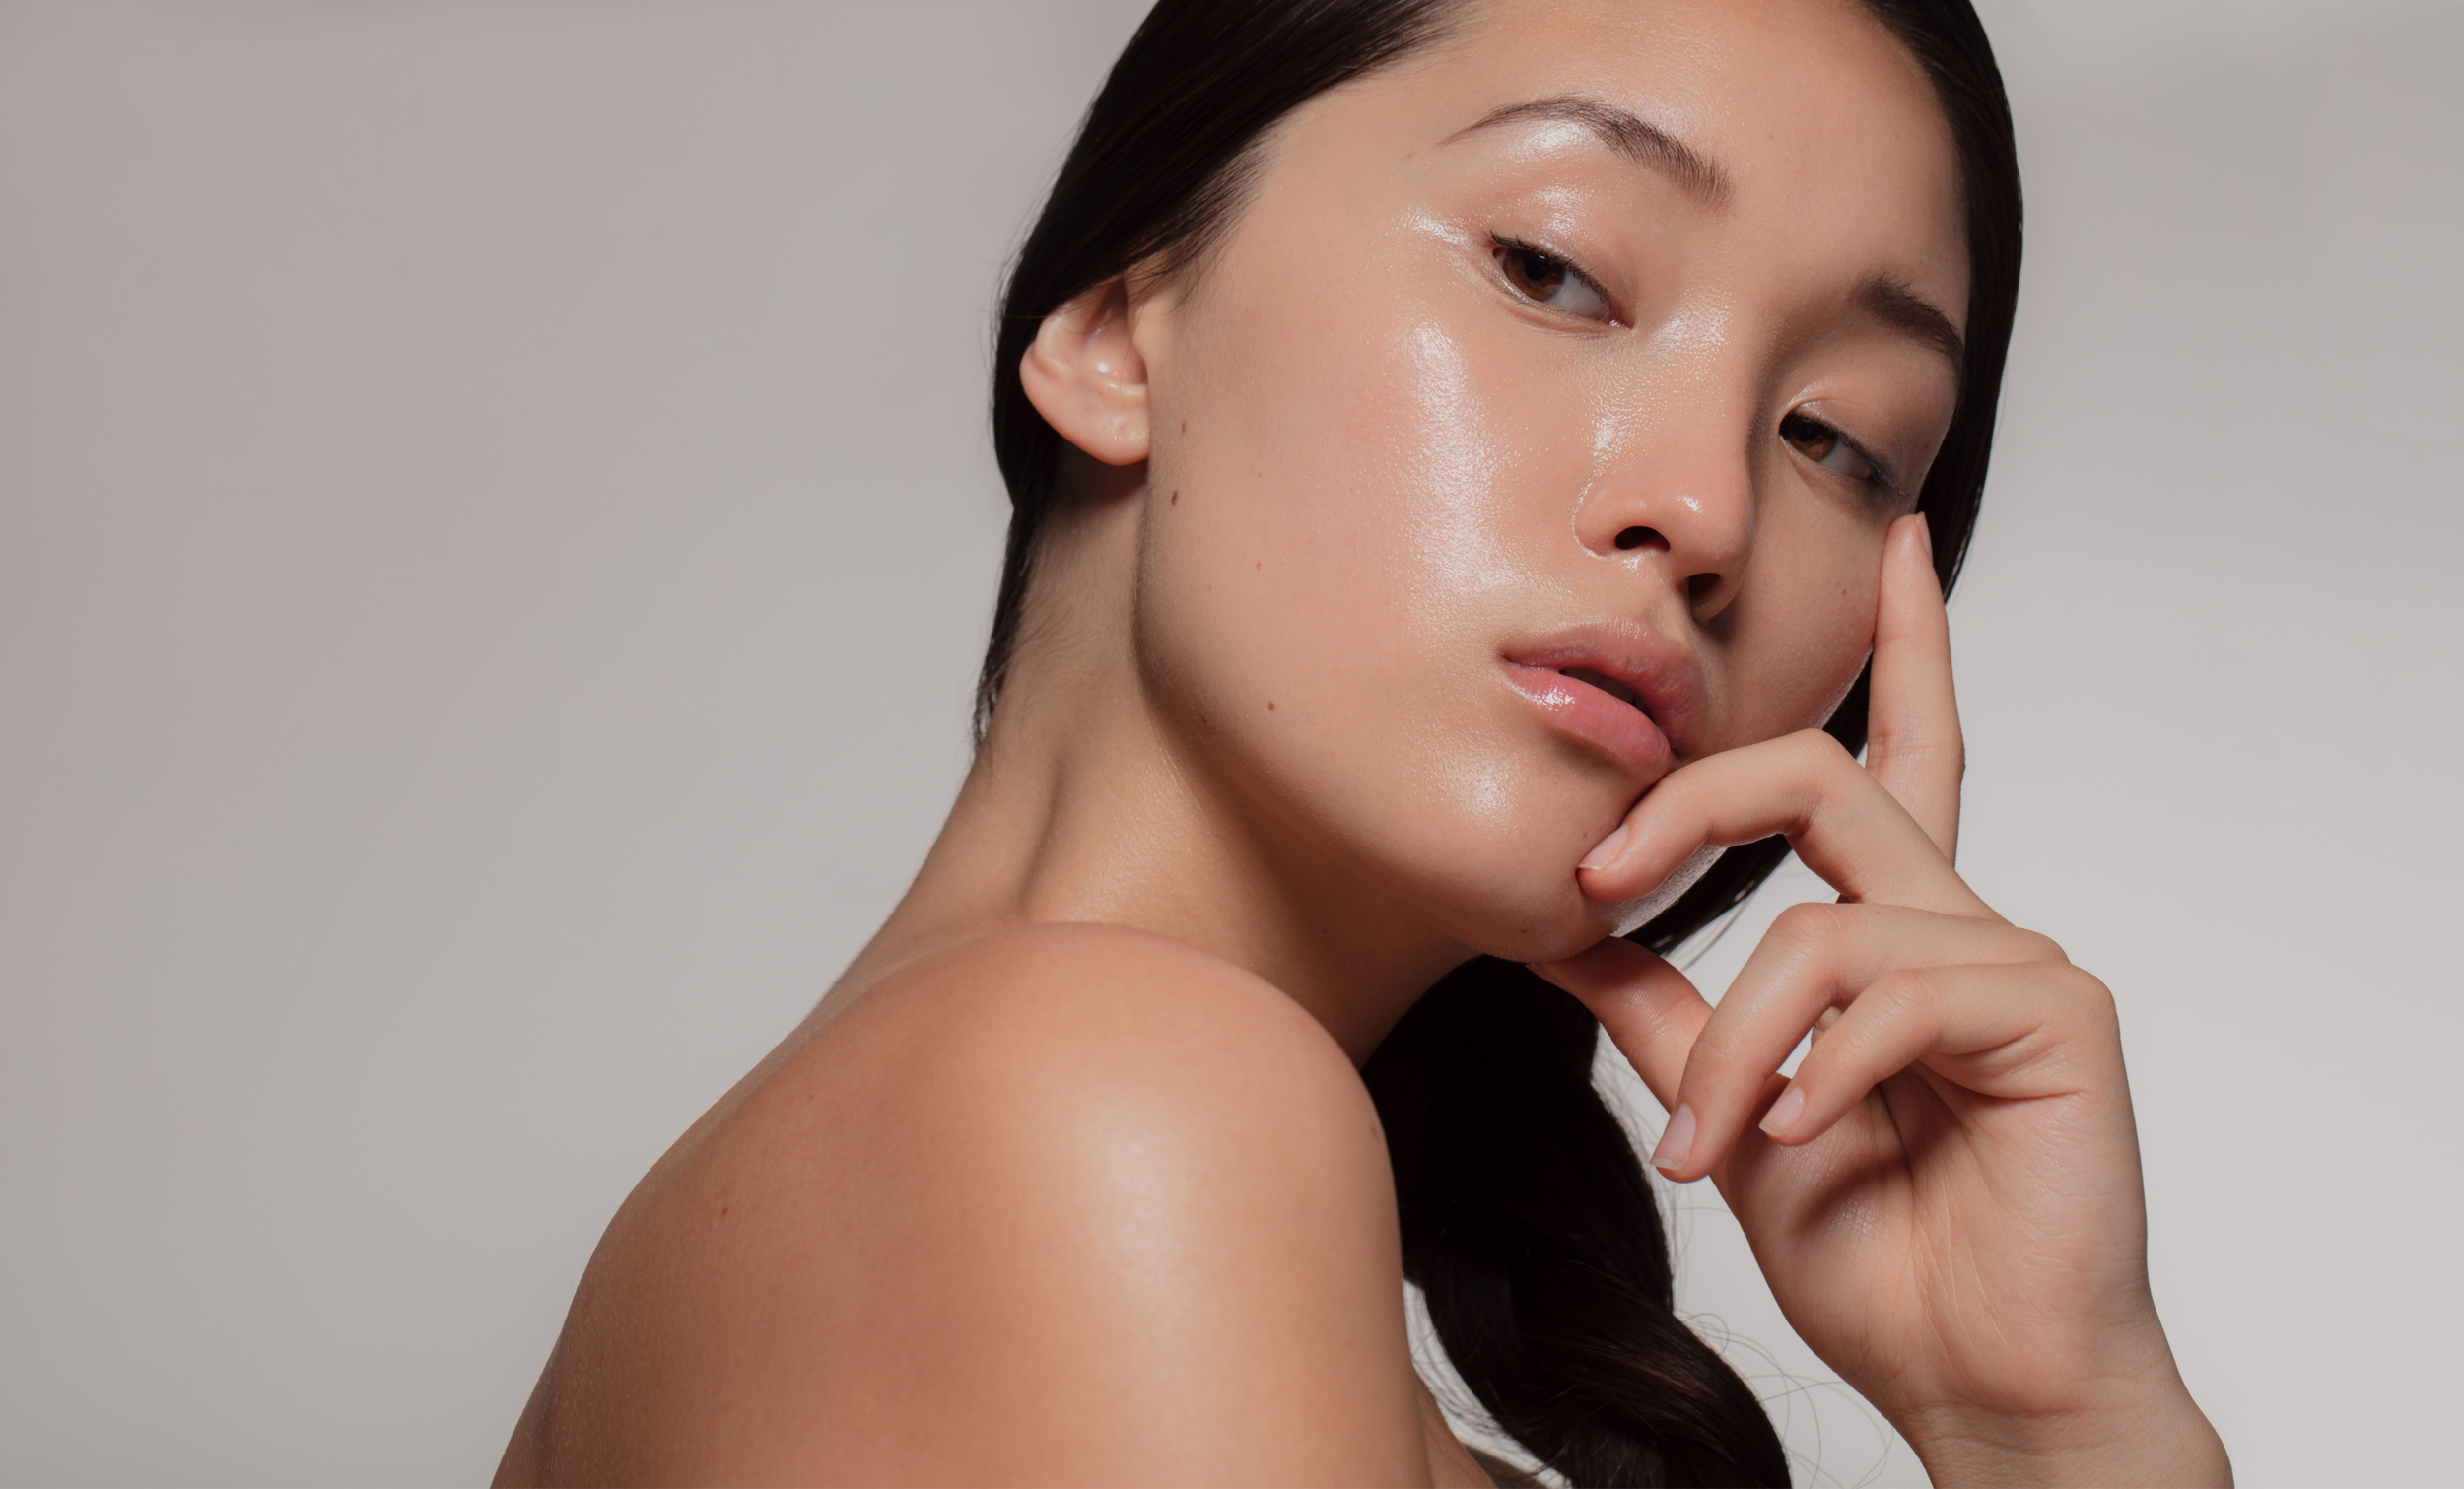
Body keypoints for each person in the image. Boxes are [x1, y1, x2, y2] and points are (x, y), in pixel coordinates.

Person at [492, 1, 2231, 1483]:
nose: (1707, 507)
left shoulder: (1026, 1138)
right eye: (1554, 269)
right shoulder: (1094, 1103)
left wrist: (2046, 1423)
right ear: (1114, 320)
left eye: (1839, 440)